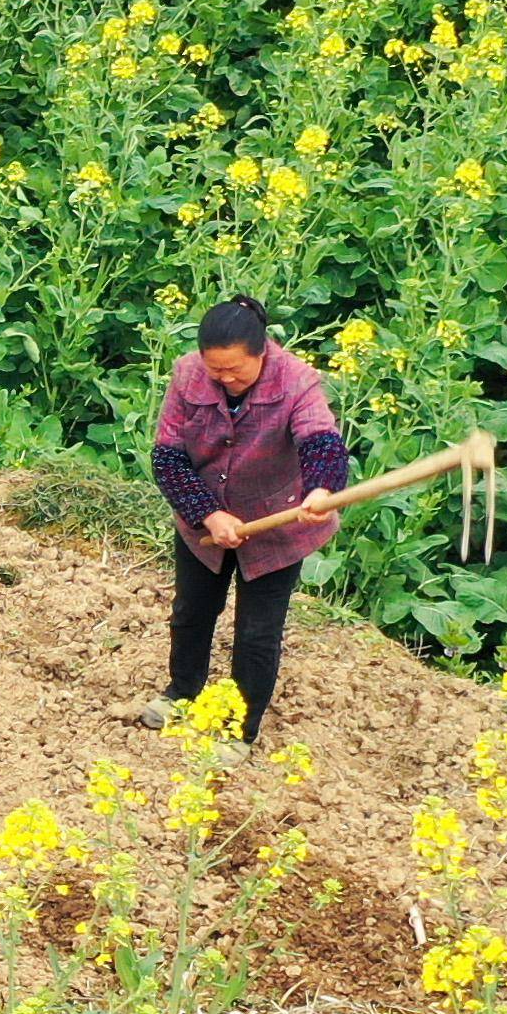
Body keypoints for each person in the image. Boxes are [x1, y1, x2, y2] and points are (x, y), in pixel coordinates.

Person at [134, 296, 349, 731]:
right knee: (191, 612)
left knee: (257, 633)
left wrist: (320, 490)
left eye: (236, 369)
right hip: (204, 523)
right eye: (217, 370)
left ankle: (239, 726)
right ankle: (182, 691)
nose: (226, 378)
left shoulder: (298, 382)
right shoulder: (187, 374)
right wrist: (208, 514)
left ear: (262, 352)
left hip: (277, 527)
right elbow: (168, 457)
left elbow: (321, 441)